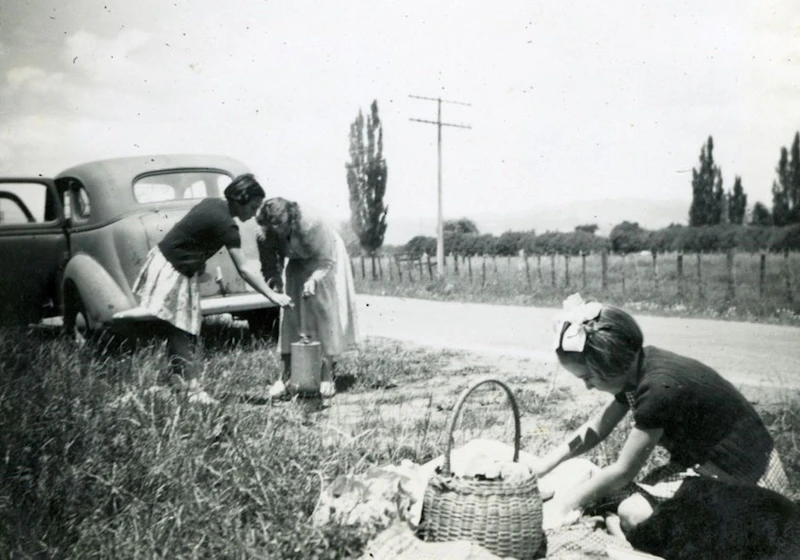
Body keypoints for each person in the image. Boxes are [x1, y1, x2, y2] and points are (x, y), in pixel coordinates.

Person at [536, 293, 788, 534]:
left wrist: (564, 505)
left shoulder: (658, 389)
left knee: (632, 513)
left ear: (611, 366)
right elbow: (598, 428)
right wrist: (541, 467)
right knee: (610, 491)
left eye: (588, 377)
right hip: (708, 462)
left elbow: (625, 469)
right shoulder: (638, 367)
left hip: (743, 477)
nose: (588, 386)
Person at [132, 174, 293, 403]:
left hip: (169, 262)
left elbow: (193, 233)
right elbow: (244, 269)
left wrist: (198, 262)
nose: (255, 213)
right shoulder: (227, 224)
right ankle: (192, 389)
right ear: (241, 198)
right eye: (254, 206)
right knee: (181, 329)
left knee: (178, 327)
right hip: (174, 268)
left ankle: (180, 382)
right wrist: (272, 295)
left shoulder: (212, 204)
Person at [255, 197, 359, 399]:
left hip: (324, 256)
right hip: (296, 260)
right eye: (272, 227)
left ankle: (327, 374)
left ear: (292, 219)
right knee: (290, 310)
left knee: (323, 308)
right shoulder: (263, 233)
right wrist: (277, 289)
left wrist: (313, 280)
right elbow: (269, 267)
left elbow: (326, 260)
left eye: (282, 226)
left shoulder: (312, 224)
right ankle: (285, 376)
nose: (277, 232)